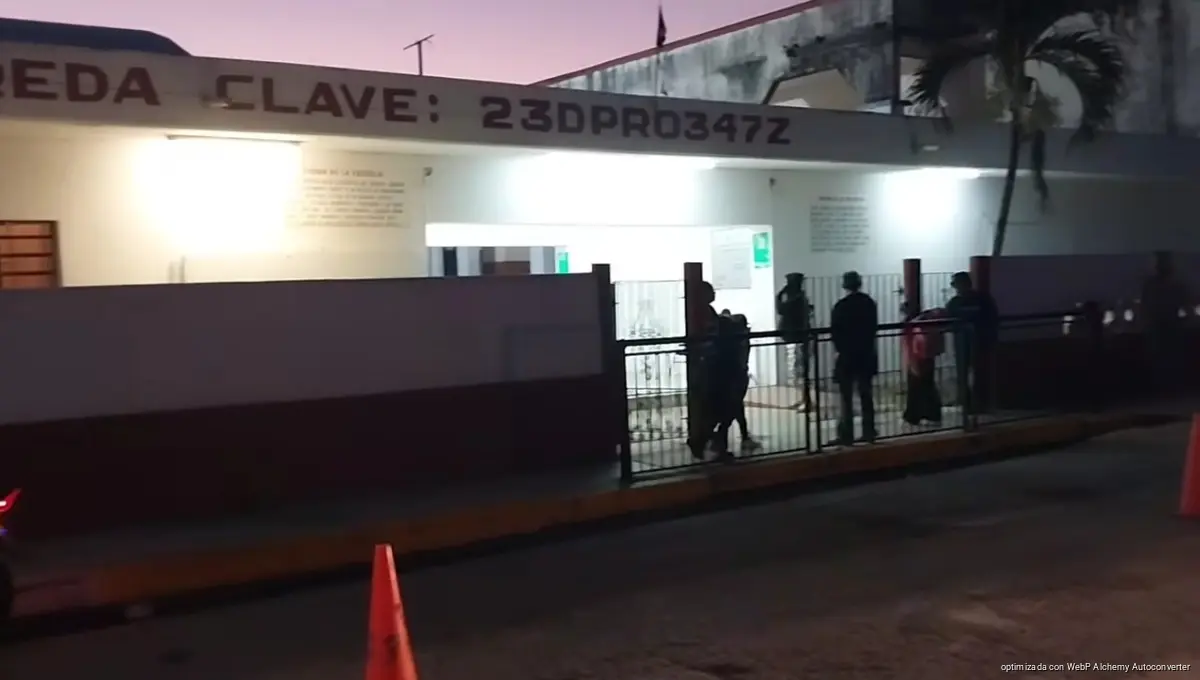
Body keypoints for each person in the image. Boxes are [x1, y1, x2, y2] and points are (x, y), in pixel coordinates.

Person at [686, 281, 737, 460]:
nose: (713, 294)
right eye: (710, 292)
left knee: (721, 409)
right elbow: (707, 336)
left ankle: (710, 443)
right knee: (717, 408)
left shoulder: (707, 312)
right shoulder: (701, 314)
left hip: (715, 366)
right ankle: (707, 442)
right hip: (711, 367)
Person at [830, 271, 878, 445]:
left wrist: (840, 350)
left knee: (846, 396)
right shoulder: (869, 303)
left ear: (845, 285)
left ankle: (846, 433)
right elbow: (873, 328)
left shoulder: (841, 306)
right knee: (866, 393)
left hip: (848, 355)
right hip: (866, 353)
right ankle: (869, 430)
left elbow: (835, 332)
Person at [945, 271, 998, 414]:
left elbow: (992, 319)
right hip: (963, 343)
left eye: (956, 283)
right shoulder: (955, 303)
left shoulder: (981, 300)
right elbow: (948, 322)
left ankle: (979, 404)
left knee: (979, 373)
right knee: (963, 375)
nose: (956, 287)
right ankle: (968, 405)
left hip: (979, 342)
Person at [1140, 255, 1191, 395]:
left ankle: (1165, 387)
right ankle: (1166, 387)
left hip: (1165, 325)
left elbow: (1145, 306)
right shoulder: (1172, 285)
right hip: (1163, 325)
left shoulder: (1156, 285)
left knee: (1165, 358)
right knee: (1165, 358)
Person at [712, 312, 762, 455]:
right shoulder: (738, 340)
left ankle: (728, 440)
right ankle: (723, 440)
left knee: (735, 408)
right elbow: (740, 361)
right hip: (736, 378)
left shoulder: (724, 341)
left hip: (729, 378)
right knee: (734, 409)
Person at [900, 302, 945, 426]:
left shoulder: (912, 324)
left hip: (918, 357)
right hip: (926, 356)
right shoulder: (924, 321)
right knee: (925, 385)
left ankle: (915, 416)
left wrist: (911, 361)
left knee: (917, 387)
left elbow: (911, 344)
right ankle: (928, 414)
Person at [776, 272, 814, 412]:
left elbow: (781, 309)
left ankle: (807, 401)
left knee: (799, 373)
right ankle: (805, 399)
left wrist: (780, 295)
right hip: (796, 340)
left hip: (798, 340)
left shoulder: (797, 300)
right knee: (798, 373)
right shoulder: (799, 299)